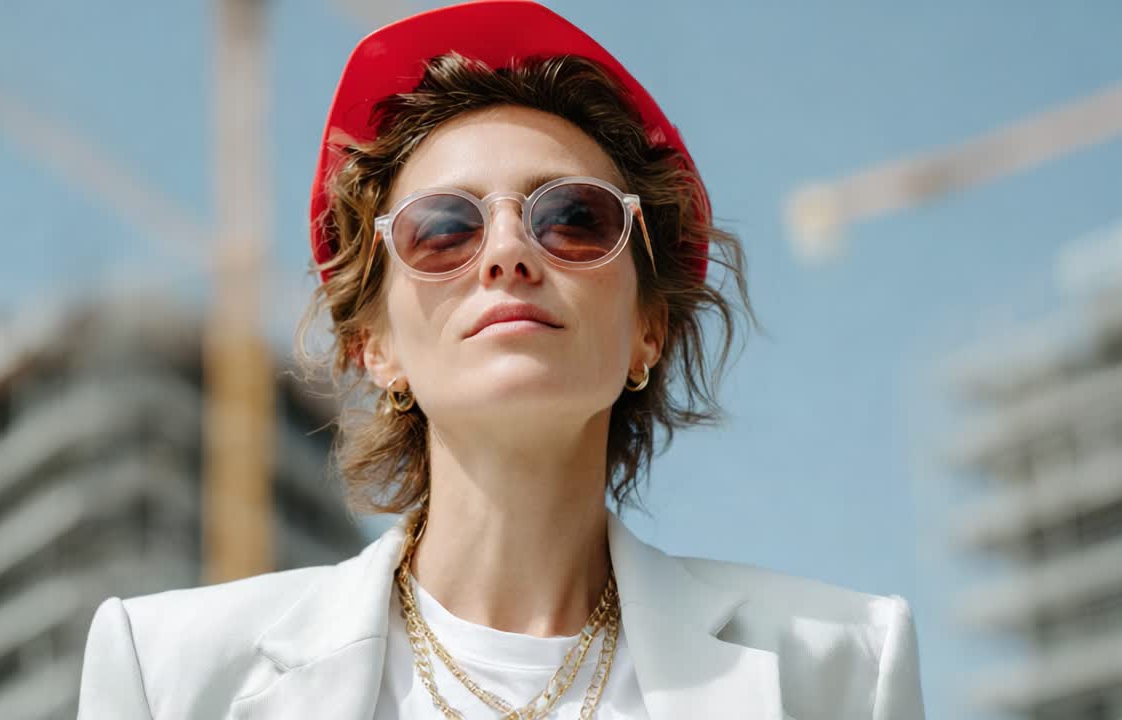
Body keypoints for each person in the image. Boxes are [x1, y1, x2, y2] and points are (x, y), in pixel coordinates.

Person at [76, 2, 926, 718]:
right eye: (443, 229)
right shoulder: (167, 674)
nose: (509, 253)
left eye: (575, 219)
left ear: (649, 329)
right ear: (375, 346)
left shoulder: (842, 668)